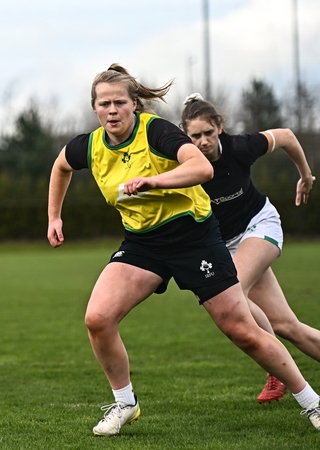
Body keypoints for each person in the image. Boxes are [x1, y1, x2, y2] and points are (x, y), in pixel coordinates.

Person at [47, 64, 320, 435]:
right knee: (98, 317)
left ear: (134, 105)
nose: (112, 110)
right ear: (95, 108)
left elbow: (201, 168)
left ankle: (312, 404)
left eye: (120, 103)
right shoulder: (90, 145)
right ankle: (125, 403)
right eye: (104, 103)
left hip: (195, 238)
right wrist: (54, 218)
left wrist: (153, 181)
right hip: (144, 244)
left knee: (241, 329)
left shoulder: (157, 131)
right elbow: (61, 166)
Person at [181, 93, 319, 403]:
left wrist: (305, 174)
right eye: (195, 136)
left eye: (208, 133)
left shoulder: (239, 147)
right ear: (185, 137)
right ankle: (275, 356)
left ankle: (275, 368)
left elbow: (286, 136)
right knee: (287, 325)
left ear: (220, 127)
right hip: (226, 246)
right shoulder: (183, 162)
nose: (203, 141)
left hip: (260, 225)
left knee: (232, 294)